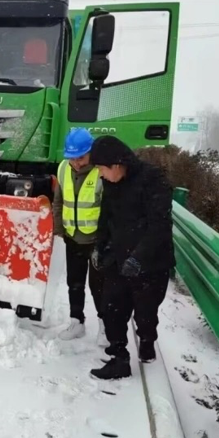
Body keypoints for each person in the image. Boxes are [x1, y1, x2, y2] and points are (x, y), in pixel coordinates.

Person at [87, 135, 175, 380]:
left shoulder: (152, 180)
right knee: (111, 308)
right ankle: (119, 359)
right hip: (119, 258)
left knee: (145, 313)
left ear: (116, 164)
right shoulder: (112, 183)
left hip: (151, 261)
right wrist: (99, 246)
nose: (101, 175)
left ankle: (147, 339)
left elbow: (160, 225)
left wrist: (139, 257)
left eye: (102, 169)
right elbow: (106, 217)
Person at [52, 129, 106, 344]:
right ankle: (77, 322)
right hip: (72, 236)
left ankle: (105, 326)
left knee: (99, 286)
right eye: (72, 158)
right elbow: (58, 201)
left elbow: (110, 208)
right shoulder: (63, 168)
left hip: (96, 240)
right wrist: (59, 230)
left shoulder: (102, 171)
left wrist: (106, 240)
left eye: (81, 157)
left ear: (91, 152)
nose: (76, 163)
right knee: (74, 282)